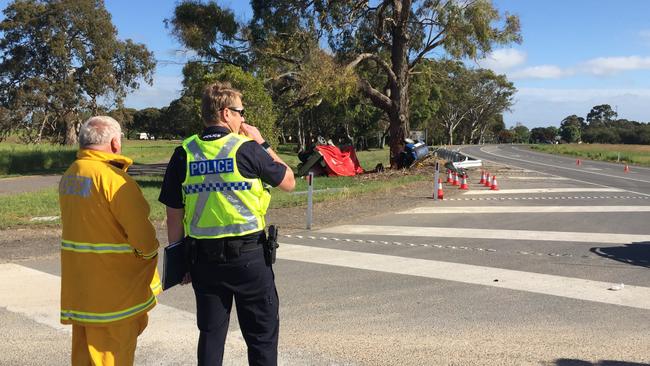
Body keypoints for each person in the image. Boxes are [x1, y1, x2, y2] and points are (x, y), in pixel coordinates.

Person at [159, 81, 295, 365]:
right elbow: (288, 181)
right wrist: (263, 142)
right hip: (249, 258)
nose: (243, 118)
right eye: (240, 112)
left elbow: (173, 212)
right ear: (225, 113)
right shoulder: (247, 148)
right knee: (261, 337)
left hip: (203, 260)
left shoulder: (184, 152)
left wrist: (179, 259)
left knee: (210, 336)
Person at [59, 116, 162, 365]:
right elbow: (145, 240)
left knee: (85, 356)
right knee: (112, 357)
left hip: (82, 291)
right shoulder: (115, 180)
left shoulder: (71, 175)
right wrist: (148, 259)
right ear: (115, 143)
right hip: (114, 297)